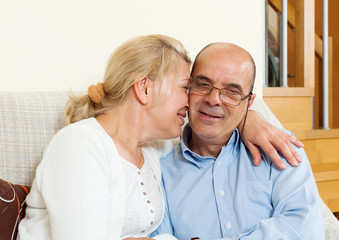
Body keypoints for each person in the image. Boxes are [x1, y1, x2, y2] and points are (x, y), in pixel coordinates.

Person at [17, 35, 302, 240]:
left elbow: (213, 126)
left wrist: (247, 119)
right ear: (144, 88)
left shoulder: (155, 150)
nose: (192, 100)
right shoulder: (78, 146)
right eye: (186, 87)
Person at [152, 43, 324, 239]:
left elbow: (305, 231)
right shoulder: (160, 172)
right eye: (203, 84)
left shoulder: (280, 148)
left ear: (249, 103)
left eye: (232, 91)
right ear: (187, 88)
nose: (213, 99)